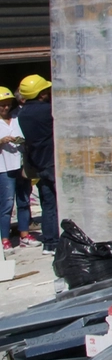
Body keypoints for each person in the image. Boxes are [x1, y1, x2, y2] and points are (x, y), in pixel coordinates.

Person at [16, 75, 56, 255]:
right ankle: (60, 241)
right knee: (59, 204)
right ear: (41, 93)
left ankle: (50, 243)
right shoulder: (49, 111)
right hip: (53, 163)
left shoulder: (23, 113)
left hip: (39, 164)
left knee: (48, 204)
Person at [0, 87, 36, 250]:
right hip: (4, 167)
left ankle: (24, 234)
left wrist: (21, 140)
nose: (5, 108)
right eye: (2, 105)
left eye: (7, 104)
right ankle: (5, 238)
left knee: (24, 201)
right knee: (7, 204)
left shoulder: (17, 117)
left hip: (21, 165)